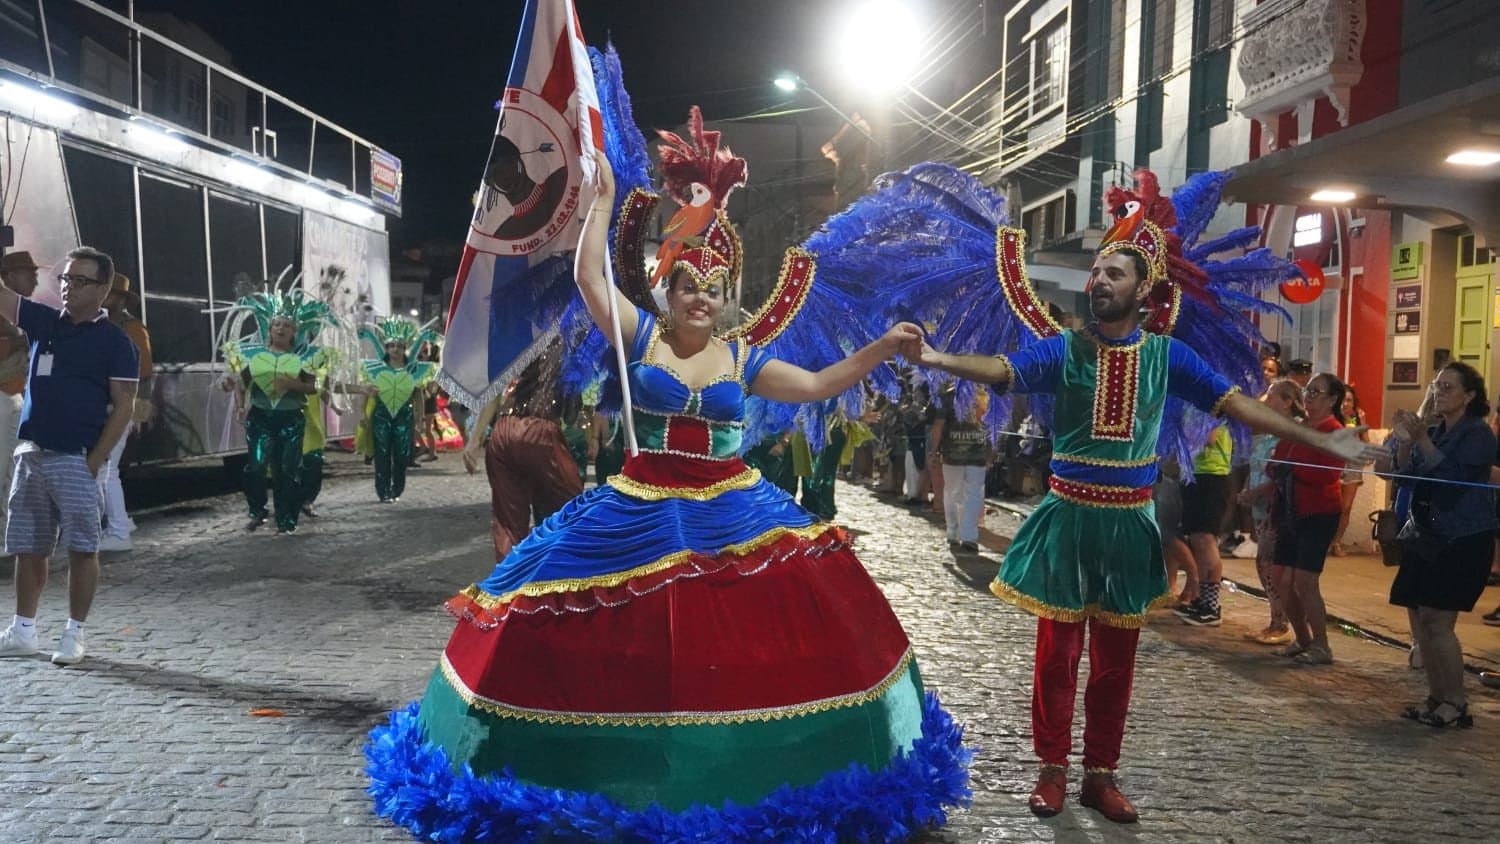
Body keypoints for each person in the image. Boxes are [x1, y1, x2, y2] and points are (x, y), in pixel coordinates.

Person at [366, 152, 968, 841]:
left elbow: (817, 385)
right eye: (689, 285)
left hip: (734, 507)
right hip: (639, 501)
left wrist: (883, 346)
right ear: (670, 289)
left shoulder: (743, 358)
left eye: (713, 288)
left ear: (727, 296)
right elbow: (589, 278)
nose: (700, 298)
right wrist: (603, 197)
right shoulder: (641, 335)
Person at [904, 233, 1377, 823]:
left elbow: (1235, 403)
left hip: (1129, 523)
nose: (1099, 281)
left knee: (1115, 662)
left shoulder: (1167, 356)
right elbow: (1003, 368)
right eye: (1096, 272)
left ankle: (1100, 774)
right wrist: (936, 358)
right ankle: (1052, 768)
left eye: (1114, 274)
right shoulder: (1065, 350)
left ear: (1142, 290)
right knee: (1056, 657)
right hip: (1068, 518)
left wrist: (1319, 439)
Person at [0, 247, 139, 665]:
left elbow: (125, 405)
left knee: (82, 547)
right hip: (33, 454)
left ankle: (74, 633)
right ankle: (23, 630)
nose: (68, 288)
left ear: (103, 289)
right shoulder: (45, 323)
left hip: (75, 457)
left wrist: (95, 460)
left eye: (80, 281)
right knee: (29, 547)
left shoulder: (116, 341)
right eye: (65, 279)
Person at [1386, 362, 1496, 728]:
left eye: (1448, 387)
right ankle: (1435, 697)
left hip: (1461, 537)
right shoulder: (1435, 430)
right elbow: (1405, 477)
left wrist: (1421, 440)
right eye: (1436, 386)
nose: (1438, 393)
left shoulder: (1477, 434)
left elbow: (1452, 479)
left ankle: (1456, 701)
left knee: (1438, 620)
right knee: (1421, 620)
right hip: (1426, 535)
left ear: (1469, 395)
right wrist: (1405, 443)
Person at [224, 288, 336, 535]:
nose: (281, 329)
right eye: (277, 324)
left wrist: (292, 384)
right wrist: (239, 404)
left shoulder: (305, 358)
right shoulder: (253, 355)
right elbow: (241, 383)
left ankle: (286, 519)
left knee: (287, 470)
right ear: (270, 329)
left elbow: (314, 386)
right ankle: (258, 510)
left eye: (286, 325)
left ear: (294, 332)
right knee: (256, 466)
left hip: (291, 418)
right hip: (260, 418)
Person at [462, 344, 583, 559]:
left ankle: (511, 577)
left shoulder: (520, 338)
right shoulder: (570, 342)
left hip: (503, 430)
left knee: (508, 522)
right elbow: (571, 411)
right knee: (574, 509)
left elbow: (495, 388)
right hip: (540, 431)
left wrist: (474, 440)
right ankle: (566, 568)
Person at [1265, 372, 1349, 665]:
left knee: (1305, 581)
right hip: (1289, 510)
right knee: (1280, 578)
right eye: (1308, 391)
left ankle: (1321, 644)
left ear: (1332, 399)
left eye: (1316, 392)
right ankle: (1302, 638)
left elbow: (1328, 474)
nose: (1310, 396)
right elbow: (1276, 461)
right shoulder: (1299, 428)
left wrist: (1292, 468)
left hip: (1318, 512)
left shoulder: (1334, 432)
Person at [1237, 379, 1305, 645]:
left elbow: (1284, 475)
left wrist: (1258, 492)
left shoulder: (1292, 433)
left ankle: (1282, 623)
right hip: (1260, 507)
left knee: (1273, 566)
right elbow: (1257, 466)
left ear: (1287, 402)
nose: (1267, 401)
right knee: (1264, 563)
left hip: (1278, 507)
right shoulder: (1268, 430)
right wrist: (1247, 490)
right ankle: (1276, 619)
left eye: (1273, 396)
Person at [96, 273, 153, 551]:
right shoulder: (103, 324)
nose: (103, 297)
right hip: (106, 406)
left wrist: (138, 409)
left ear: (120, 298)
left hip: (119, 407)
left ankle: (119, 531)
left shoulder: (132, 328)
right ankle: (119, 524)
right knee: (105, 470)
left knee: (106, 470)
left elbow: (144, 372)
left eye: (108, 292)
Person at [355, 317, 436, 503]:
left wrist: (420, 418)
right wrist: (363, 413)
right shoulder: (377, 369)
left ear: (404, 348)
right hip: (381, 415)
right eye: (391, 346)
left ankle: (397, 489)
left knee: (402, 455)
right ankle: (383, 491)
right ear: (386, 348)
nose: (395, 350)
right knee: (382, 454)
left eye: (399, 346)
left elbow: (418, 394)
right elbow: (366, 393)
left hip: (404, 416)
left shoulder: (411, 370)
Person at [0, 251, 40, 537]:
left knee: (16, 468)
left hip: (16, 397)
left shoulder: (21, 312)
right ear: (11, 276)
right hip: (2, 397)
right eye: (30, 273)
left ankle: (6, 532)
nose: (35, 279)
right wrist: (22, 340)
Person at [931, 383, 993, 553]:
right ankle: (965, 535)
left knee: (954, 493)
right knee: (971, 495)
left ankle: (958, 533)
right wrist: (991, 451)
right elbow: (995, 425)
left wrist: (934, 450)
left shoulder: (950, 395)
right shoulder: (985, 394)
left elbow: (938, 425)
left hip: (957, 454)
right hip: (972, 454)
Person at [1330, 384, 1369, 556]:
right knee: (1330, 506)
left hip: (1352, 466)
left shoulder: (1356, 420)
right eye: (1342, 400)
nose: (1345, 403)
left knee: (1345, 507)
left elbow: (1366, 444)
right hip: (1333, 465)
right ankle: (1323, 541)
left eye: (1349, 400)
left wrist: (1363, 425)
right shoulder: (1330, 418)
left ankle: (1336, 542)